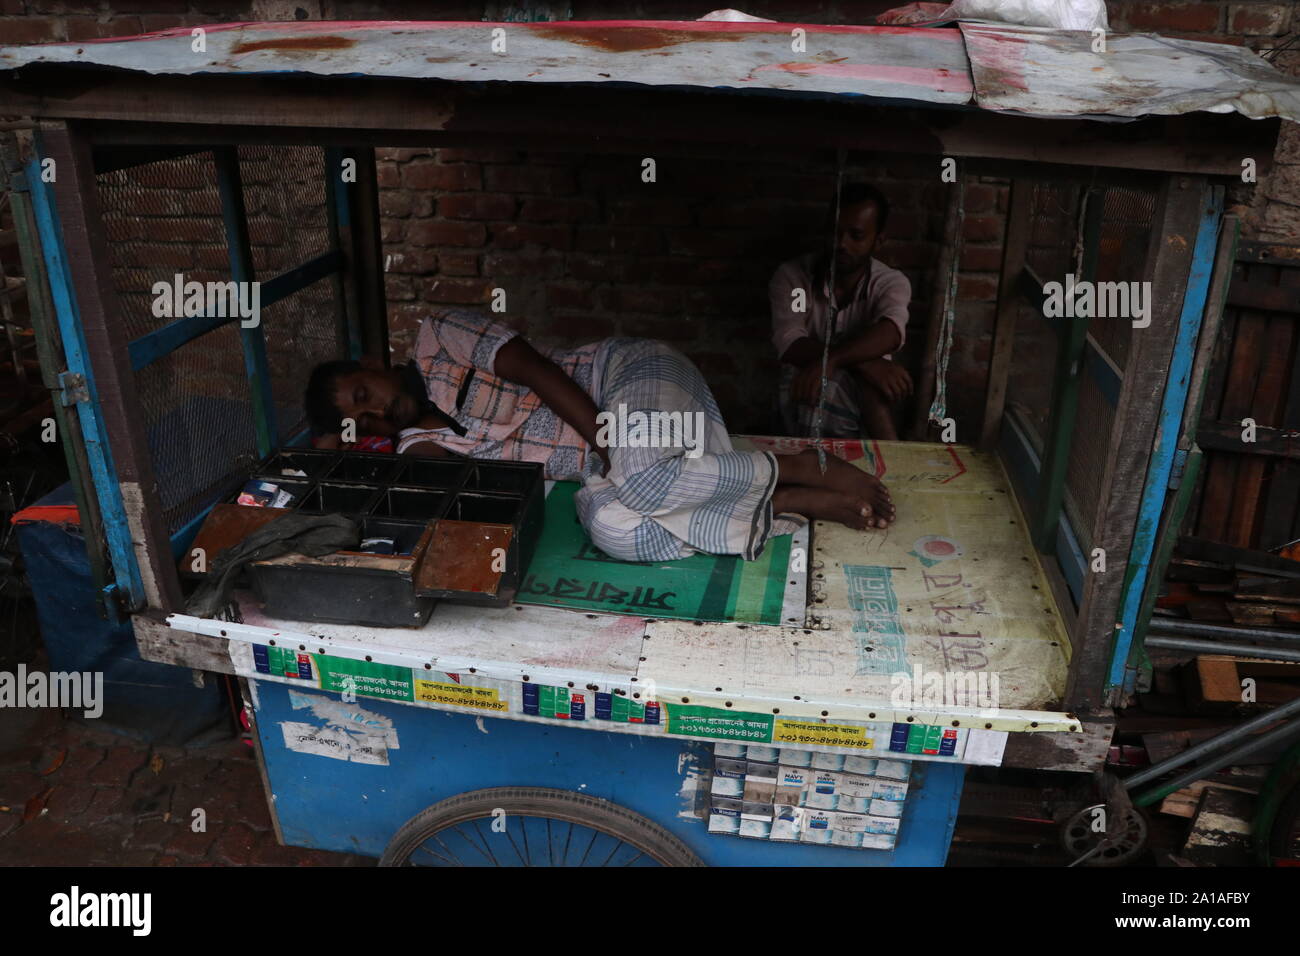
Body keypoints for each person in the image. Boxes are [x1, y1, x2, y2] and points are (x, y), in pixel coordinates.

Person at [305, 308, 896, 564]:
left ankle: (795, 467)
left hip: (629, 377)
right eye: (367, 421)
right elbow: (364, 483)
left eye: (364, 394)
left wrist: (614, 445)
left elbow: (539, 371)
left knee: (640, 482)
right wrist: (330, 442)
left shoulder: (439, 337)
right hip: (633, 465)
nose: (380, 411)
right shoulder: (418, 452)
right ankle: (780, 499)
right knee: (617, 529)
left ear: (372, 365)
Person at [770, 182, 913, 440]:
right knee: (819, 379)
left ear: (878, 241)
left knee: (866, 384)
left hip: (866, 395)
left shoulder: (890, 282)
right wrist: (864, 362)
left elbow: (891, 331)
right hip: (809, 381)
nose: (841, 244)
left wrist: (833, 361)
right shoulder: (793, 277)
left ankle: (888, 461)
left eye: (856, 236)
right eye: (834, 232)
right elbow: (790, 343)